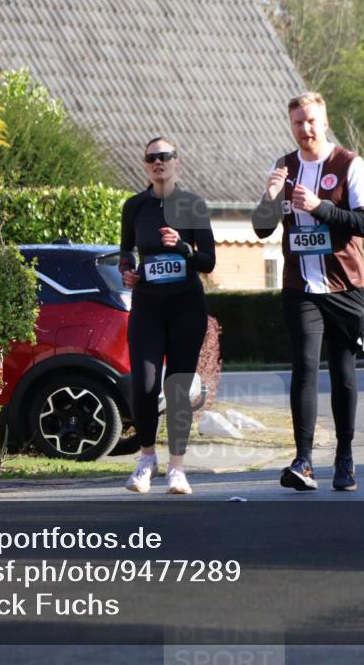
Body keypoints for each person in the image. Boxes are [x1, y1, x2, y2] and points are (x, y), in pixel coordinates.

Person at [252, 92, 364, 491]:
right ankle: (303, 460)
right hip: (301, 288)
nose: (304, 129)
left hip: (345, 286)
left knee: (342, 374)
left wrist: (321, 207)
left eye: (310, 121)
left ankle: (345, 457)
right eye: (297, 123)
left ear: (323, 122)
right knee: (304, 368)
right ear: (290, 126)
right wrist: (271, 197)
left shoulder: (349, 164)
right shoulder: (283, 167)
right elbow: (260, 229)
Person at [120, 137, 216, 493]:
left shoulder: (193, 205)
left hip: (186, 305)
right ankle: (147, 460)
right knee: (144, 385)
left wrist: (184, 247)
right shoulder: (135, 207)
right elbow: (126, 251)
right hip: (147, 305)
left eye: (164, 157)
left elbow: (208, 260)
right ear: (146, 165)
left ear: (178, 162)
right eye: (151, 158)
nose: (158, 162)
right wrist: (126, 270)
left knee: (177, 387)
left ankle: (177, 467)